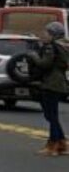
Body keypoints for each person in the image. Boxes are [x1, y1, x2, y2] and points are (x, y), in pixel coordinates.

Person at [29, 21, 68, 156]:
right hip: (59, 83)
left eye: (46, 32)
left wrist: (34, 56)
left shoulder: (50, 47)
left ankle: (53, 144)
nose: (43, 34)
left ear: (53, 34)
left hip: (50, 83)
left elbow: (45, 64)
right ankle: (62, 143)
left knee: (51, 115)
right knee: (53, 115)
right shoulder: (63, 45)